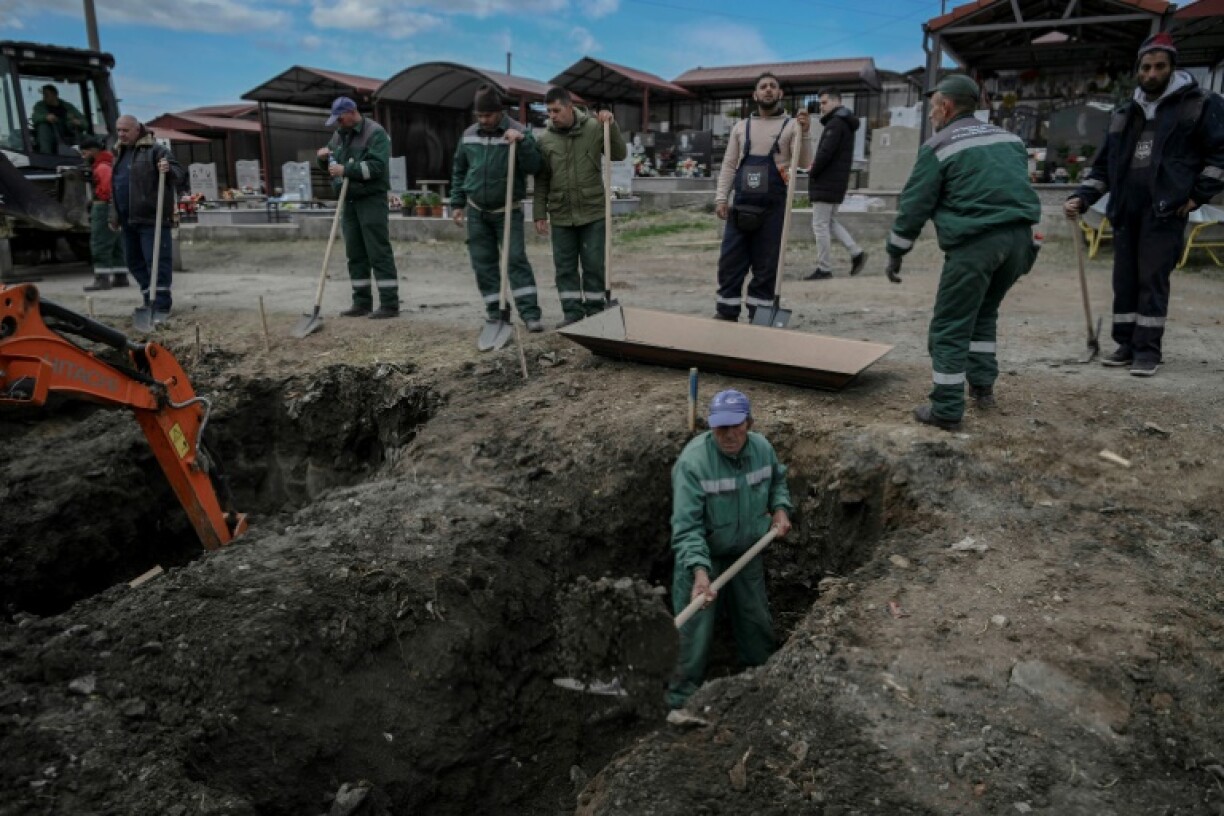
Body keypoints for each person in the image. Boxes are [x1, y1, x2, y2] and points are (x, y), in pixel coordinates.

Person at [885, 75, 1041, 430]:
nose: (930, 115)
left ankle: (946, 409)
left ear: (947, 107)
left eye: (934, 107)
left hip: (976, 245)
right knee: (984, 313)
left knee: (950, 326)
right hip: (1020, 242)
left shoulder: (938, 146)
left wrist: (896, 250)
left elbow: (914, 205)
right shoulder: (1011, 140)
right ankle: (982, 387)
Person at [1064, 33, 1224, 377]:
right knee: (1124, 279)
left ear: (1172, 67)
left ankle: (1148, 350)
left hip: (1166, 208)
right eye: (1146, 67)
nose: (1151, 74)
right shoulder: (1125, 111)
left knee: (1152, 279)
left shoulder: (1199, 104)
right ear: (1138, 69)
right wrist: (1083, 196)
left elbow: (1219, 156)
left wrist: (1198, 195)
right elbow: (1105, 165)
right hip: (1126, 208)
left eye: (1159, 67)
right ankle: (1124, 343)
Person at [666, 389, 792, 716]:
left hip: (747, 553)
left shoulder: (762, 449)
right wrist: (699, 572)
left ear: (749, 423)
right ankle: (680, 701)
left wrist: (780, 509)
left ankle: (760, 685)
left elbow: (778, 480)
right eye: (720, 428)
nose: (728, 435)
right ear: (711, 426)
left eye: (735, 426)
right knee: (692, 636)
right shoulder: (693, 463)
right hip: (703, 559)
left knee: (756, 623)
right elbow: (686, 527)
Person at [713, 73, 812, 321]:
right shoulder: (740, 127)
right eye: (763, 87)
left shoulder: (792, 126)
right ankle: (726, 315)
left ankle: (761, 318)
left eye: (773, 86)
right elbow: (728, 165)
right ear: (755, 95)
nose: (768, 90)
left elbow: (805, 162)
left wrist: (805, 132)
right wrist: (721, 198)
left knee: (767, 267)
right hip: (741, 207)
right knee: (730, 264)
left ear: (780, 94)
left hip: (773, 210)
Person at [450, 86, 544, 333]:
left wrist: (522, 142)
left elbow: (535, 165)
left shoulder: (520, 131)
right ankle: (496, 312)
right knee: (483, 263)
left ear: (499, 112)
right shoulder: (469, 135)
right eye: (479, 116)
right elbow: (460, 170)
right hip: (477, 211)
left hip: (507, 210)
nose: (483, 120)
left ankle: (530, 313)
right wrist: (457, 204)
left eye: (488, 116)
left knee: (514, 260)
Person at [533, 88, 627, 328]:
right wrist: (538, 213)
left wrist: (611, 125)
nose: (552, 116)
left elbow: (618, 153)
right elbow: (542, 179)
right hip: (561, 213)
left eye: (556, 110)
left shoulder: (595, 128)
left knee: (594, 264)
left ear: (569, 107)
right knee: (564, 267)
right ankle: (572, 313)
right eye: (549, 111)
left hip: (593, 211)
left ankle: (596, 312)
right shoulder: (545, 140)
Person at [316, 96, 400, 319]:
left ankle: (389, 304)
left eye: (340, 118)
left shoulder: (376, 133)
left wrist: (347, 171)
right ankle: (361, 302)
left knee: (378, 252)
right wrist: (324, 160)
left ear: (352, 112)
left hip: (371, 200)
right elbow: (335, 165)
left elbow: (376, 167)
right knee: (355, 253)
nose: (337, 123)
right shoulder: (338, 135)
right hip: (349, 201)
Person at [109, 115, 185, 317]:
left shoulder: (156, 150)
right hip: (127, 219)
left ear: (137, 129)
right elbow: (115, 187)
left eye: (125, 130)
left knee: (157, 261)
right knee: (133, 261)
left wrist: (168, 169)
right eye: (119, 130)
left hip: (152, 218)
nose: (121, 134)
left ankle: (160, 305)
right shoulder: (119, 153)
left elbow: (179, 174)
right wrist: (114, 215)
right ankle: (147, 298)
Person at [804, 90, 866, 281]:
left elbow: (825, 152)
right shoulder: (844, 123)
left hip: (826, 181)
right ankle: (856, 252)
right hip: (836, 181)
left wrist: (811, 171)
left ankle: (824, 268)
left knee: (820, 225)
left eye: (824, 102)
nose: (821, 107)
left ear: (837, 101)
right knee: (829, 221)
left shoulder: (835, 124)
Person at [79, 136, 128, 291]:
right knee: (116, 243)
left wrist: (96, 198)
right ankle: (121, 276)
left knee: (100, 242)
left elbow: (107, 189)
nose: (83, 157)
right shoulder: (111, 163)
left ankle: (102, 280)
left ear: (93, 151)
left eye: (84, 153)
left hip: (103, 208)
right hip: (115, 207)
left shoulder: (102, 168)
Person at [32, 85, 86, 155]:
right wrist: (46, 117)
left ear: (55, 95)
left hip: (69, 135)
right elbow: (35, 117)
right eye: (43, 95)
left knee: (89, 139)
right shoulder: (40, 106)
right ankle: (46, 155)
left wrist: (77, 122)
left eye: (46, 95)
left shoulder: (67, 107)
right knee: (43, 126)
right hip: (51, 136)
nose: (44, 97)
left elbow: (84, 123)